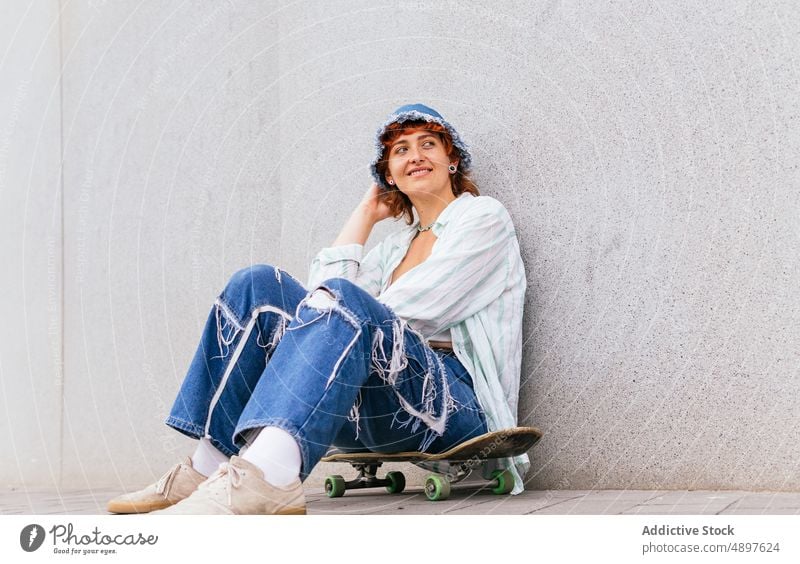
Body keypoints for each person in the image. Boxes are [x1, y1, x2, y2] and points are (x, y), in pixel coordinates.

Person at [106, 103, 529, 515]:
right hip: (368, 403)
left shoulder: (483, 218)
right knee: (256, 284)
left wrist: (337, 312)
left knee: (342, 301)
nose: (415, 156)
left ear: (452, 159)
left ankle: (269, 478)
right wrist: (365, 213)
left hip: (452, 405)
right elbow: (320, 306)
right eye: (400, 150)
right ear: (388, 175)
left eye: (428, 145)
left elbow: (382, 310)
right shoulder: (393, 249)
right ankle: (208, 465)